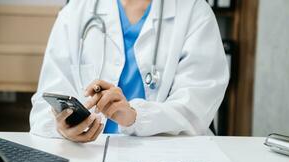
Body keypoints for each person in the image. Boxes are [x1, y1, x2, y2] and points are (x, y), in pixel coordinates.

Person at [29, 0, 229, 143]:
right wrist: (62, 127)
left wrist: (136, 117)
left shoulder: (194, 11)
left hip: (164, 154)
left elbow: (196, 106)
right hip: (88, 154)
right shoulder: (76, 11)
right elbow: (44, 104)